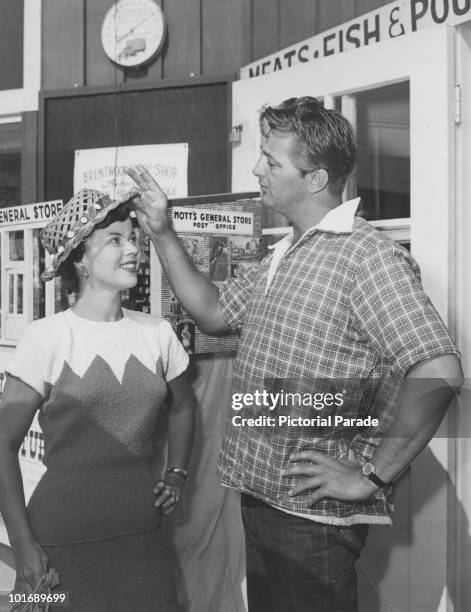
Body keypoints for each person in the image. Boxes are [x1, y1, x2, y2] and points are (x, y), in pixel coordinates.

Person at [126, 96, 463, 612]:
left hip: (313, 521)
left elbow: (439, 371)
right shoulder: (285, 251)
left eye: (271, 160)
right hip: (262, 500)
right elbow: (215, 312)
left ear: (315, 179)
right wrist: (163, 232)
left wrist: (371, 474)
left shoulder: (367, 257)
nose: (257, 169)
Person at [0, 188, 195, 611]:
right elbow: (2, 444)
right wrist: (22, 543)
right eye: (116, 240)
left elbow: (184, 406)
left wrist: (176, 473)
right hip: (60, 538)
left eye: (134, 239)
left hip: (141, 532)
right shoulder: (47, 336)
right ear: (80, 260)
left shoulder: (157, 333)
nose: (134, 250)